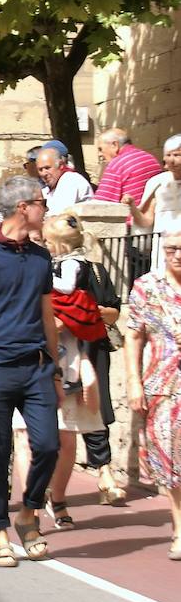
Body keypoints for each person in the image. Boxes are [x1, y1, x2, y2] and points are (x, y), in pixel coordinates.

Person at [0, 175, 62, 568]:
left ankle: (29, 513)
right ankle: (0, 532)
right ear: (24, 207)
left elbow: (47, 314)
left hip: (36, 366)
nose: (45, 209)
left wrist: (54, 369)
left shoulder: (40, 256)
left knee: (49, 445)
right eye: (41, 202)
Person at [39, 214, 109, 529]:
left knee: (66, 439)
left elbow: (75, 300)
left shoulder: (73, 266)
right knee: (40, 439)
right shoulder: (57, 263)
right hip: (42, 360)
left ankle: (58, 497)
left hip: (68, 359)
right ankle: (38, 495)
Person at [125, 227, 181, 560]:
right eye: (172, 247)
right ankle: (180, 527)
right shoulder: (147, 287)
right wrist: (133, 381)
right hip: (163, 383)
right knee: (171, 460)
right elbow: (133, 337)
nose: (177, 254)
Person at [126, 133, 181, 271]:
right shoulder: (157, 182)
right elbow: (146, 221)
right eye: (168, 155)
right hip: (164, 241)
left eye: (176, 155)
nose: (172, 160)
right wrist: (132, 206)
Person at [94, 128, 163, 207]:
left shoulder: (116, 165)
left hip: (132, 217)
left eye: (100, 149)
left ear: (114, 145)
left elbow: (100, 205)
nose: (99, 154)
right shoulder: (151, 158)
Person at [39, 146, 92, 213]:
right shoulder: (49, 187)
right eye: (40, 169)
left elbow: (59, 215)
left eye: (47, 168)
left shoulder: (70, 180)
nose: (44, 173)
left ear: (61, 165)